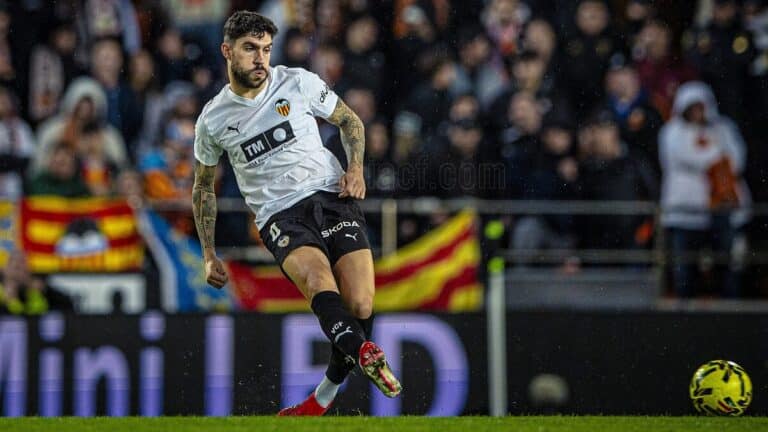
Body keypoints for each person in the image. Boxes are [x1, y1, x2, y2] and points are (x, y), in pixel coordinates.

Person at [191, 11, 402, 416]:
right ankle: (365, 352)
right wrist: (209, 254)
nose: (260, 59)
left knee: (360, 305)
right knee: (318, 280)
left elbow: (350, 122)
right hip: (281, 216)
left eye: (266, 49)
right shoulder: (213, 119)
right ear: (227, 51)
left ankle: (323, 396)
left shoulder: (297, 82)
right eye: (250, 49)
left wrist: (356, 168)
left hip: (332, 196)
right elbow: (202, 188)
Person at [659, 81, 751, 298]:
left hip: (721, 209)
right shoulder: (672, 131)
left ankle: (728, 307)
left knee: (726, 264)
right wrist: (715, 159)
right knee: (685, 267)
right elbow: (685, 156)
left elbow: (737, 160)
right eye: (691, 108)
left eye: (700, 107)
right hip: (685, 212)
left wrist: (716, 160)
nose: (697, 113)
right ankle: (684, 310)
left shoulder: (723, 128)